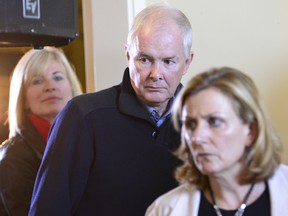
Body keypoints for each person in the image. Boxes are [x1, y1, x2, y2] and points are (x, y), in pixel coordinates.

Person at [28, 4, 194, 216]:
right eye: (145, 59)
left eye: (168, 61)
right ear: (128, 55)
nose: (156, 73)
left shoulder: (203, 122)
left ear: (187, 62)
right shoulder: (83, 117)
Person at [146, 67, 288, 216]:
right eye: (190, 124)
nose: (197, 137)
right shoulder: (165, 210)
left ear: (251, 131)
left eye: (214, 121)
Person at [0, 46, 83, 216]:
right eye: (37, 81)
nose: (50, 86)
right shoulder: (13, 156)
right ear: (23, 98)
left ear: (72, 88)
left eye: (58, 77)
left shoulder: (87, 141)